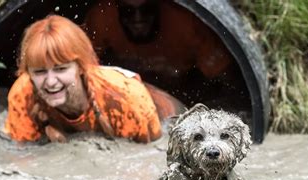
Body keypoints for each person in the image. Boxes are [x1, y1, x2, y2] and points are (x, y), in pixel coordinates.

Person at [2, 15, 185, 144]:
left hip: (166, 113)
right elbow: (23, 159)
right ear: (29, 73)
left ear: (81, 67)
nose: (50, 82)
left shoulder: (124, 97)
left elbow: (149, 158)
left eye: (61, 69)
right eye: (40, 72)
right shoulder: (22, 94)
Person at [83, 0, 235, 106]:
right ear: (117, 8)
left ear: (158, 5)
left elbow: (228, 79)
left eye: (146, 10)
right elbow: (80, 63)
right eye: (128, 11)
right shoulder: (102, 17)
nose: (138, 19)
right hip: (124, 90)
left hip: (184, 87)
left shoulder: (186, 24)